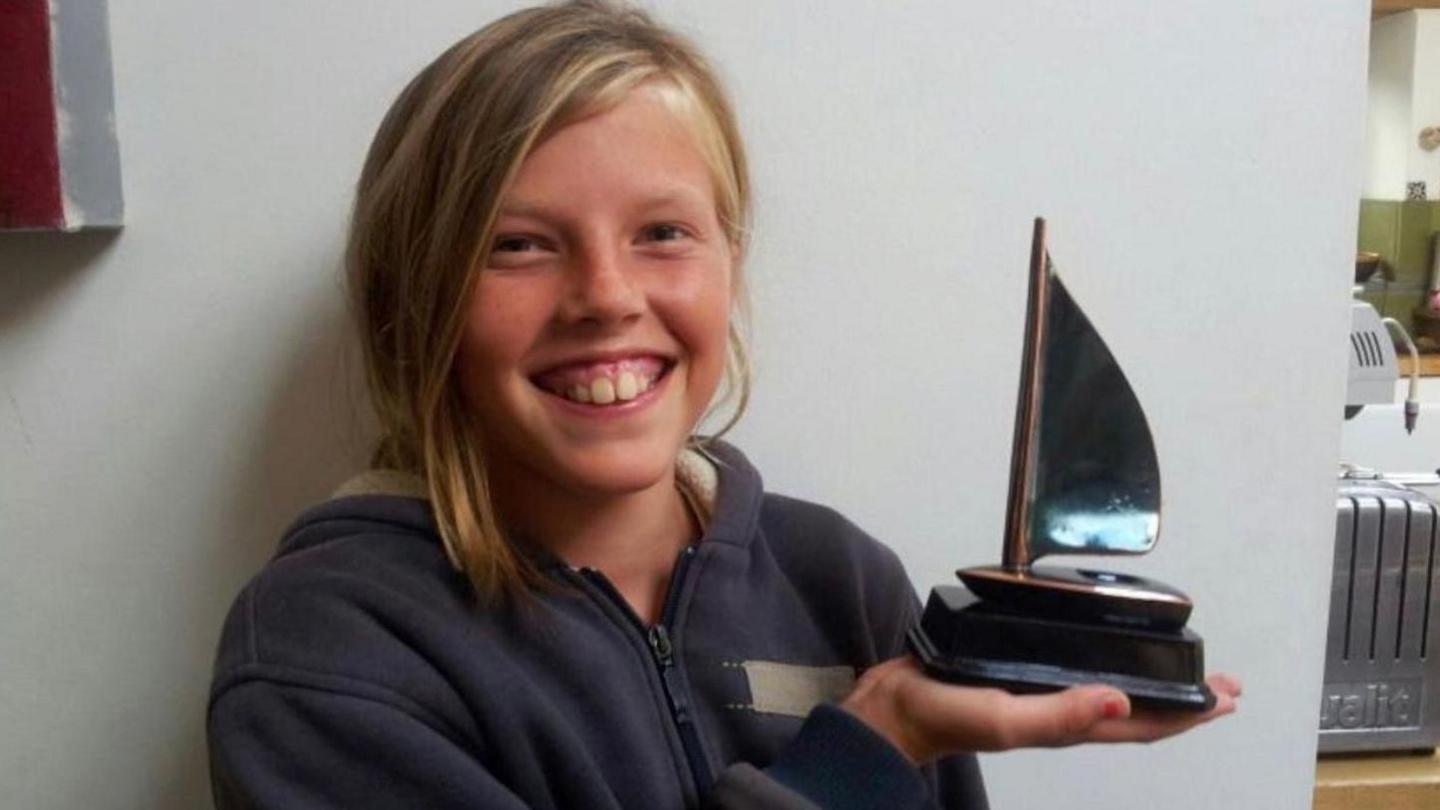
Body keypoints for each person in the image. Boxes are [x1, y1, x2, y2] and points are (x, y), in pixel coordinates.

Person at [206, 2, 1241, 808]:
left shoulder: (843, 583)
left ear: (729, 264)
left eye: (663, 233)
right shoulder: (327, 653)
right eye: (518, 244)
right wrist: (871, 751)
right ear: (415, 296)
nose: (608, 297)